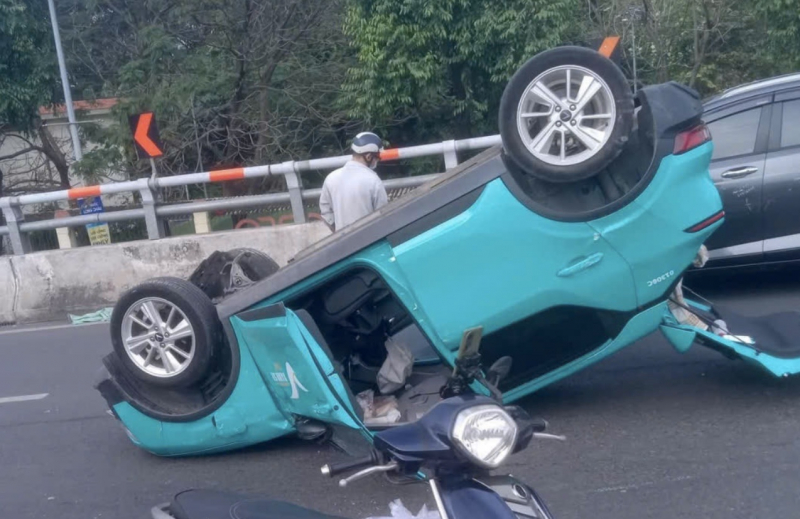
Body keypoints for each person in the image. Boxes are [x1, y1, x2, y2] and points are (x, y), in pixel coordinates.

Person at [319, 132, 389, 232]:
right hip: (370, 239)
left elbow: (326, 212)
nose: (377, 160)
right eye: (377, 157)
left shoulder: (331, 178)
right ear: (368, 156)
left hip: (342, 240)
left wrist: (337, 229)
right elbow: (383, 214)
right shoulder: (373, 181)